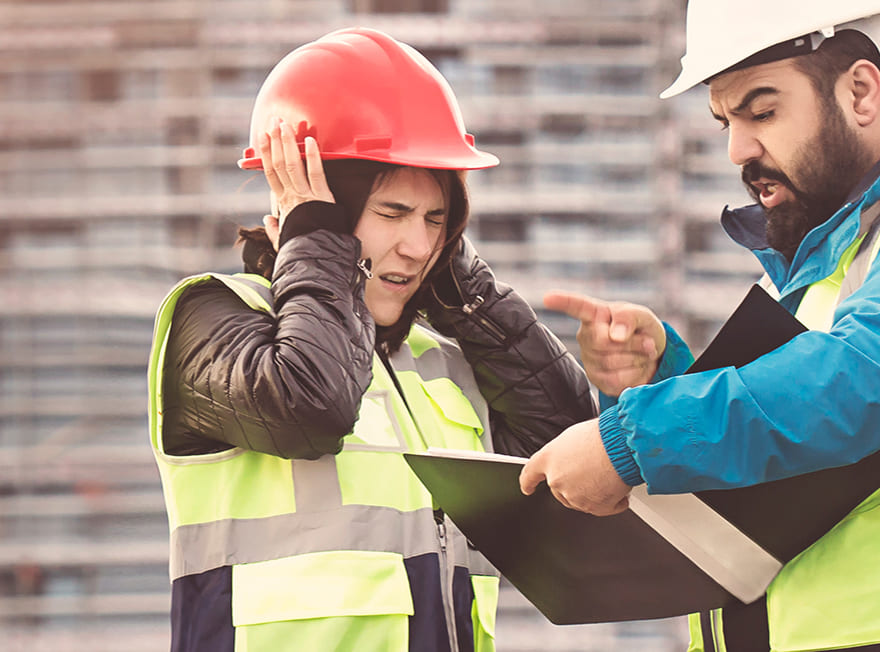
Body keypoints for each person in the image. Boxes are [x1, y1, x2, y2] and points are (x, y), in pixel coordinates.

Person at [519, 0, 880, 650]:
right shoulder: (830, 258)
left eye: (762, 111)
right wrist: (661, 376)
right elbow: (786, 443)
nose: (738, 148)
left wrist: (635, 438)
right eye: (725, 120)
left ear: (861, 91)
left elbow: (863, 379)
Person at [146, 27, 596, 652]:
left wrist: (461, 287)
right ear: (311, 208)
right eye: (391, 213)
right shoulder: (213, 320)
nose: (416, 246)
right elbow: (312, 406)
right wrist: (319, 243)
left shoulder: (437, 363)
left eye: (436, 220)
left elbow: (567, 441)